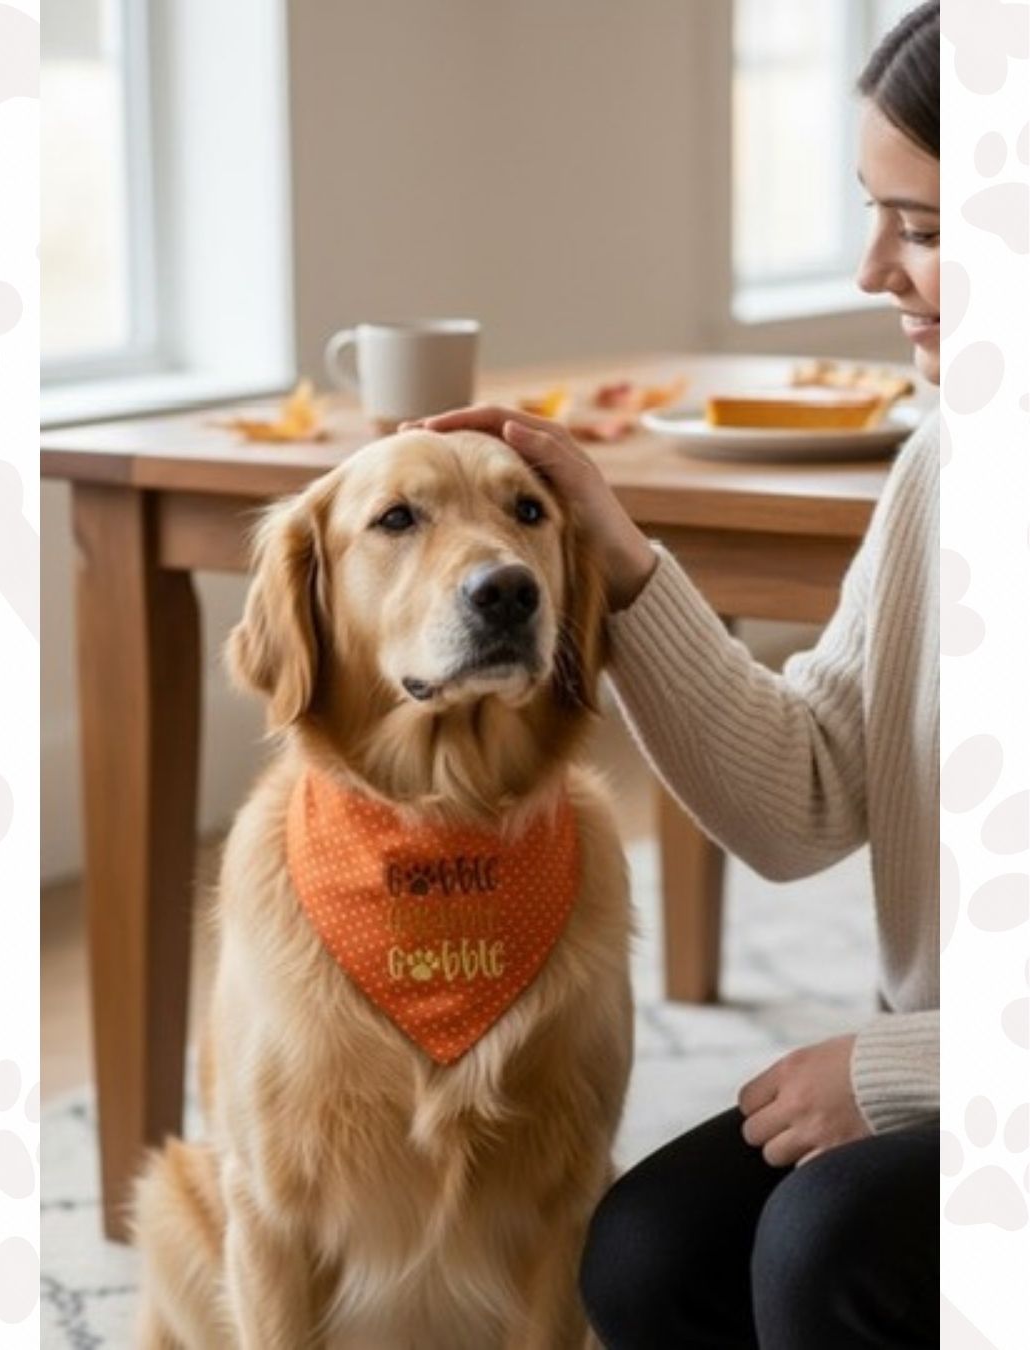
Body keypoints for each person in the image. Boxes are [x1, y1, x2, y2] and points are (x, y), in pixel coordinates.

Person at [410, 4, 941, 1345]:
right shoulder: (956, 461)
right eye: (875, 214)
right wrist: (620, 561)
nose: (877, 267)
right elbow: (806, 796)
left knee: (830, 1246)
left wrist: (911, 1069)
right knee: (644, 1254)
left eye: (928, 228)